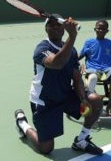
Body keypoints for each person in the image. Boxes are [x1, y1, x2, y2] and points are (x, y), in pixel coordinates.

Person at [14, 14, 103, 155]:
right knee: (46, 149)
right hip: (44, 101)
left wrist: (83, 99)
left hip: (64, 95)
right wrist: (72, 36)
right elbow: (57, 63)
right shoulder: (42, 47)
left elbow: (77, 76)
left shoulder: (71, 50)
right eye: (51, 24)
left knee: (95, 101)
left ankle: (81, 140)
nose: (55, 27)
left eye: (59, 24)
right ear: (46, 29)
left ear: (63, 28)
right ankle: (22, 124)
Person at [79, 19, 111, 116]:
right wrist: (72, 61)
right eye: (99, 28)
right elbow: (81, 55)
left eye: (103, 29)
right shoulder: (89, 42)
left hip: (107, 70)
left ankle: (109, 106)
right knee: (92, 78)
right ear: (95, 29)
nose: (100, 30)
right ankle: (88, 104)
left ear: (107, 31)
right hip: (93, 69)